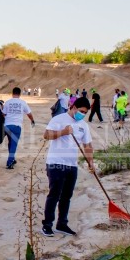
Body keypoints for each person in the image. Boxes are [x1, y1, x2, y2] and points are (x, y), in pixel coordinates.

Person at [42, 97, 94, 237]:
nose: (82, 114)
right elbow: (46, 135)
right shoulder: (58, 119)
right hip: (56, 163)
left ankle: (62, 224)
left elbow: (87, 145)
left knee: (66, 196)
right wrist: (63, 132)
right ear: (73, 107)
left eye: (85, 112)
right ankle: (47, 224)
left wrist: (91, 162)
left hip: (72, 165)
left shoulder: (83, 125)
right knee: (54, 195)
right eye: (81, 111)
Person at [2, 87, 35, 169]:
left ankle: (12, 159)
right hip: (16, 126)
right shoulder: (23, 103)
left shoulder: (8, 102)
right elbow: (29, 113)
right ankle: (10, 162)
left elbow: (3, 114)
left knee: (10, 143)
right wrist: (32, 120)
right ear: (20, 94)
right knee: (13, 144)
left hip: (7, 126)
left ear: (12, 93)